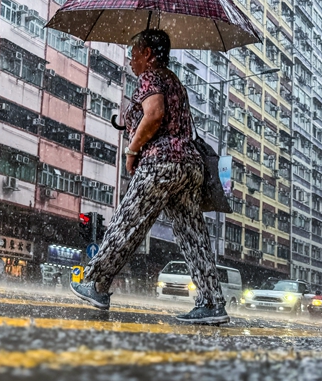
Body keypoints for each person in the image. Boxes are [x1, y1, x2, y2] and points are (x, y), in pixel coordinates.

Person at [70, 29, 228, 325]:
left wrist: (132, 150)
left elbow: (154, 115)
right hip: (188, 167)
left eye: (134, 53)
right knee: (193, 236)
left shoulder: (151, 77)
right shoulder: (174, 81)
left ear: (147, 54)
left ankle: (96, 283)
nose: (130, 60)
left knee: (127, 222)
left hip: (161, 164)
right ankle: (212, 302)